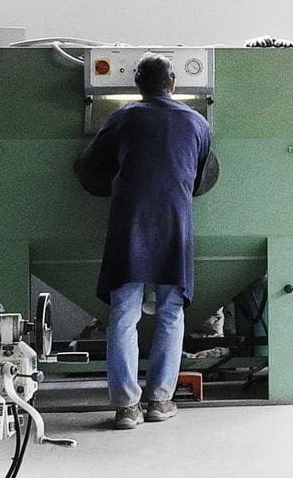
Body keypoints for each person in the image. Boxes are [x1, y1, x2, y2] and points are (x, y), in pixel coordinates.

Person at [75, 54, 216, 430]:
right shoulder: (198, 122)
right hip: (175, 221)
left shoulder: (122, 117)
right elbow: (200, 179)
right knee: (171, 311)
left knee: (124, 313)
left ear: (137, 85)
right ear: (173, 84)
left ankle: (126, 408)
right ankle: (160, 401)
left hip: (130, 222)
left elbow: (89, 168)